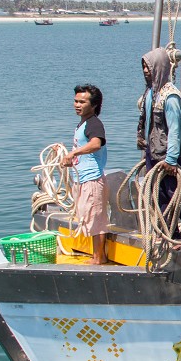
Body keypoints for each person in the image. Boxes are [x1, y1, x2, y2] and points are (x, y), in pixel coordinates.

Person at [137, 48, 181, 238]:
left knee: (178, 196)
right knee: (159, 196)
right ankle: (169, 231)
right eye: (143, 66)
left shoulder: (170, 96)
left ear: (159, 67)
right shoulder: (151, 93)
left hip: (167, 156)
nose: (145, 70)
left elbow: (175, 130)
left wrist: (172, 159)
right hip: (153, 154)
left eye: (148, 66)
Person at [61, 84, 108, 264]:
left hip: (92, 179)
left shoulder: (94, 123)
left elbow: (96, 144)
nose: (77, 105)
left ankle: (99, 258)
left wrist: (74, 153)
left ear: (94, 105)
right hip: (83, 179)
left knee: (96, 218)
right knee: (88, 217)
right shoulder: (82, 124)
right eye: (76, 101)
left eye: (82, 102)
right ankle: (96, 256)